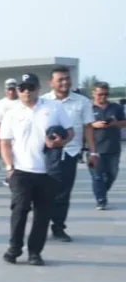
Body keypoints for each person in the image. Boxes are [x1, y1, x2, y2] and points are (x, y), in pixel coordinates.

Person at [0, 73, 73, 265]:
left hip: (48, 170)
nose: (26, 91)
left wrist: (61, 141)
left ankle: (35, 252)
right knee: (19, 209)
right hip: (21, 170)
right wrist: (9, 167)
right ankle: (14, 247)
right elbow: (5, 143)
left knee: (42, 215)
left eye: (30, 87)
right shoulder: (11, 112)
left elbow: (70, 131)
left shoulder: (54, 107)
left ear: (38, 89)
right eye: (22, 88)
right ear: (17, 90)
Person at [40, 65, 96, 242]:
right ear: (51, 82)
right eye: (60, 79)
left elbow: (88, 128)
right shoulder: (42, 101)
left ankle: (58, 227)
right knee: (44, 192)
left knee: (63, 193)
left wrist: (93, 152)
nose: (65, 82)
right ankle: (41, 225)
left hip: (69, 153)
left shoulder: (82, 102)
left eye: (67, 78)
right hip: (44, 154)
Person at [89, 82, 125, 210]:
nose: (103, 97)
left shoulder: (115, 107)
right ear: (93, 93)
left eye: (106, 94)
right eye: (100, 94)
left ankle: (102, 191)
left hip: (113, 148)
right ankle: (101, 200)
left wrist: (116, 123)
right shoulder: (88, 108)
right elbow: (81, 125)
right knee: (97, 176)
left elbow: (124, 122)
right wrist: (93, 125)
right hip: (94, 149)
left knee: (112, 175)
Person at [0, 78, 20, 186]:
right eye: (9, 90)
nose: (11, 92)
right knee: (9, 161)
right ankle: (10, 177)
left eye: (13, 89)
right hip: (5, 139)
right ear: (5, 90)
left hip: (20, 137)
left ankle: (13, 178)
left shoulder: (23, 101)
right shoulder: (0, 104)